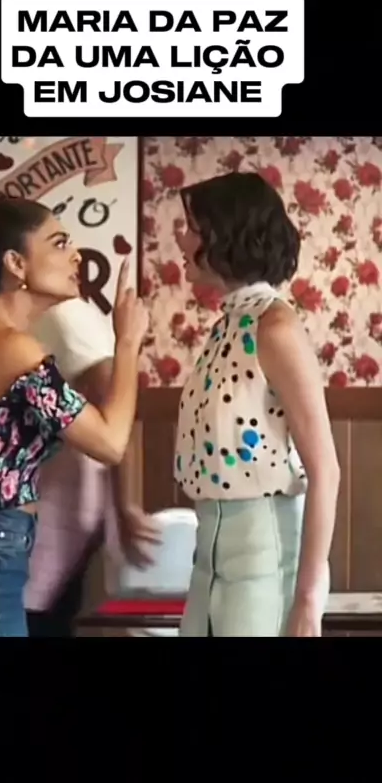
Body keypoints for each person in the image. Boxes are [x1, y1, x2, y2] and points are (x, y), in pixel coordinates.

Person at [0, 197, 148, 637]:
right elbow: (111, 443)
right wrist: (127, 343)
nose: (76, 255)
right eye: (59, 243)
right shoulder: (14, 350)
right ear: (15, 263)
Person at [174, 172, 339, 637]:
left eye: (191, 228)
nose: (180, 239)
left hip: (263, 563)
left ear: (224, 236)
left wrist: (308, 599)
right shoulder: (228, 326)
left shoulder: (275, 327)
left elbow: (326, 470)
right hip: (207, 560)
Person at [25, 297, 158, 637]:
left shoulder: (71, 317)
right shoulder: (42, 322)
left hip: (64, 535)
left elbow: (116, 424)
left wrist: (126, 506)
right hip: (45, 537)